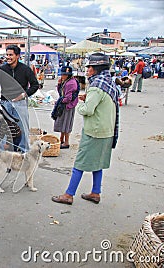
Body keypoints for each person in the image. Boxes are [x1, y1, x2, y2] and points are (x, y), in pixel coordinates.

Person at [52, 53, 119, 205]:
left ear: (96, 69)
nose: (87, 70)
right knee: (98, 163)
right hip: (106, 131)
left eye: (89, 67)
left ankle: (69, 195)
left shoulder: (96, 87)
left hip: (94, 131)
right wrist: (87, 98)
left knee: (79, 163)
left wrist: (79, 104)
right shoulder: (108, 83)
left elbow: (88, 110)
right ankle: (96, 192)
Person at [0, 45, 39, 152]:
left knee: (22, 128)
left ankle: (23, 153)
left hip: (20, 104)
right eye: (7, 55)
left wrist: (24, 95)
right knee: (5, 129)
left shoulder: (25, 69)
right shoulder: (1, 70)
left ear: (17, 56)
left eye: (11, 55)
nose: (8, 57)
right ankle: (6, 154)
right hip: (5, 104)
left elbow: (35, 85)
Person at [52, 66, 79, 149]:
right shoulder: (67, 81)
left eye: (64, 74)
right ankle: (62, 139)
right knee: (63, 123)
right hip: (67, 105)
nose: (62, 76)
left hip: (68, 106)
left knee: (66, 124)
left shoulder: (70, 83)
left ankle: (66, 142)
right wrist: (59, 84)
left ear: (68, 75)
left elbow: (68, 98)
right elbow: (61, 92)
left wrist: (59, 101)